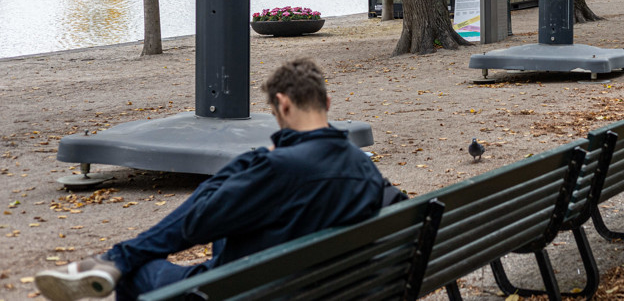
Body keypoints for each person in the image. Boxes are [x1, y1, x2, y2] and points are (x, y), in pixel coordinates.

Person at [35, 58, 385, 301]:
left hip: (248, 290)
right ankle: (113, 260)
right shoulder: (365, 169)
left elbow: (197, 222)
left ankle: (114, 261)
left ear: (282, 104)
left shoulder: (275, 168)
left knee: (140, 273)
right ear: (326, 101)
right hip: (338, 287)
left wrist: (124, 256)